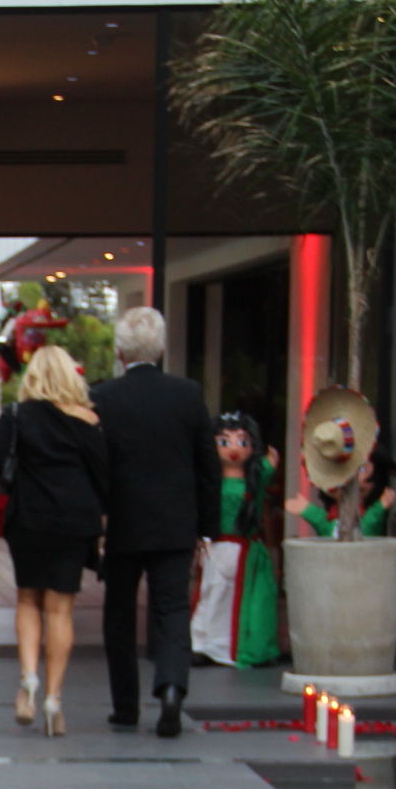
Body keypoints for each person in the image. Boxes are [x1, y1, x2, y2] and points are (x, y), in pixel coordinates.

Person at [89, 306, 218, 736]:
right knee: (172, 609)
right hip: (175, 522)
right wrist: (207, 528)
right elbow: (207, 465)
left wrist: (98, 522)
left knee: (120, 614)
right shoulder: (187, 394)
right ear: (161, 349)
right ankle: (171, 688)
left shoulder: (103, 397)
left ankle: (126, 705)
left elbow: (96, 466)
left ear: (120, 351)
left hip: (123, 523)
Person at [0, 344, 108, 734]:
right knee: (60, 610)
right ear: (72, 376)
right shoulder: (88, 420)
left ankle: (28, 682)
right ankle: (53, 700)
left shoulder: (17, 415)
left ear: (32, 376)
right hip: (74, 522)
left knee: (28, 600)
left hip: (29, 520)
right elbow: (104, 477)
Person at [194, 411, 280, 668]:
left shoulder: (256, 479)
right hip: (216, 546)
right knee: (212, 595)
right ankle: (204, 645)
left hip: (246, 549)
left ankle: (247, 647)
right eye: (223, 441)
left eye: (242, 441)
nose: (233, 449)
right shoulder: (208, 480)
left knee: (250, 602)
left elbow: (268, 468)